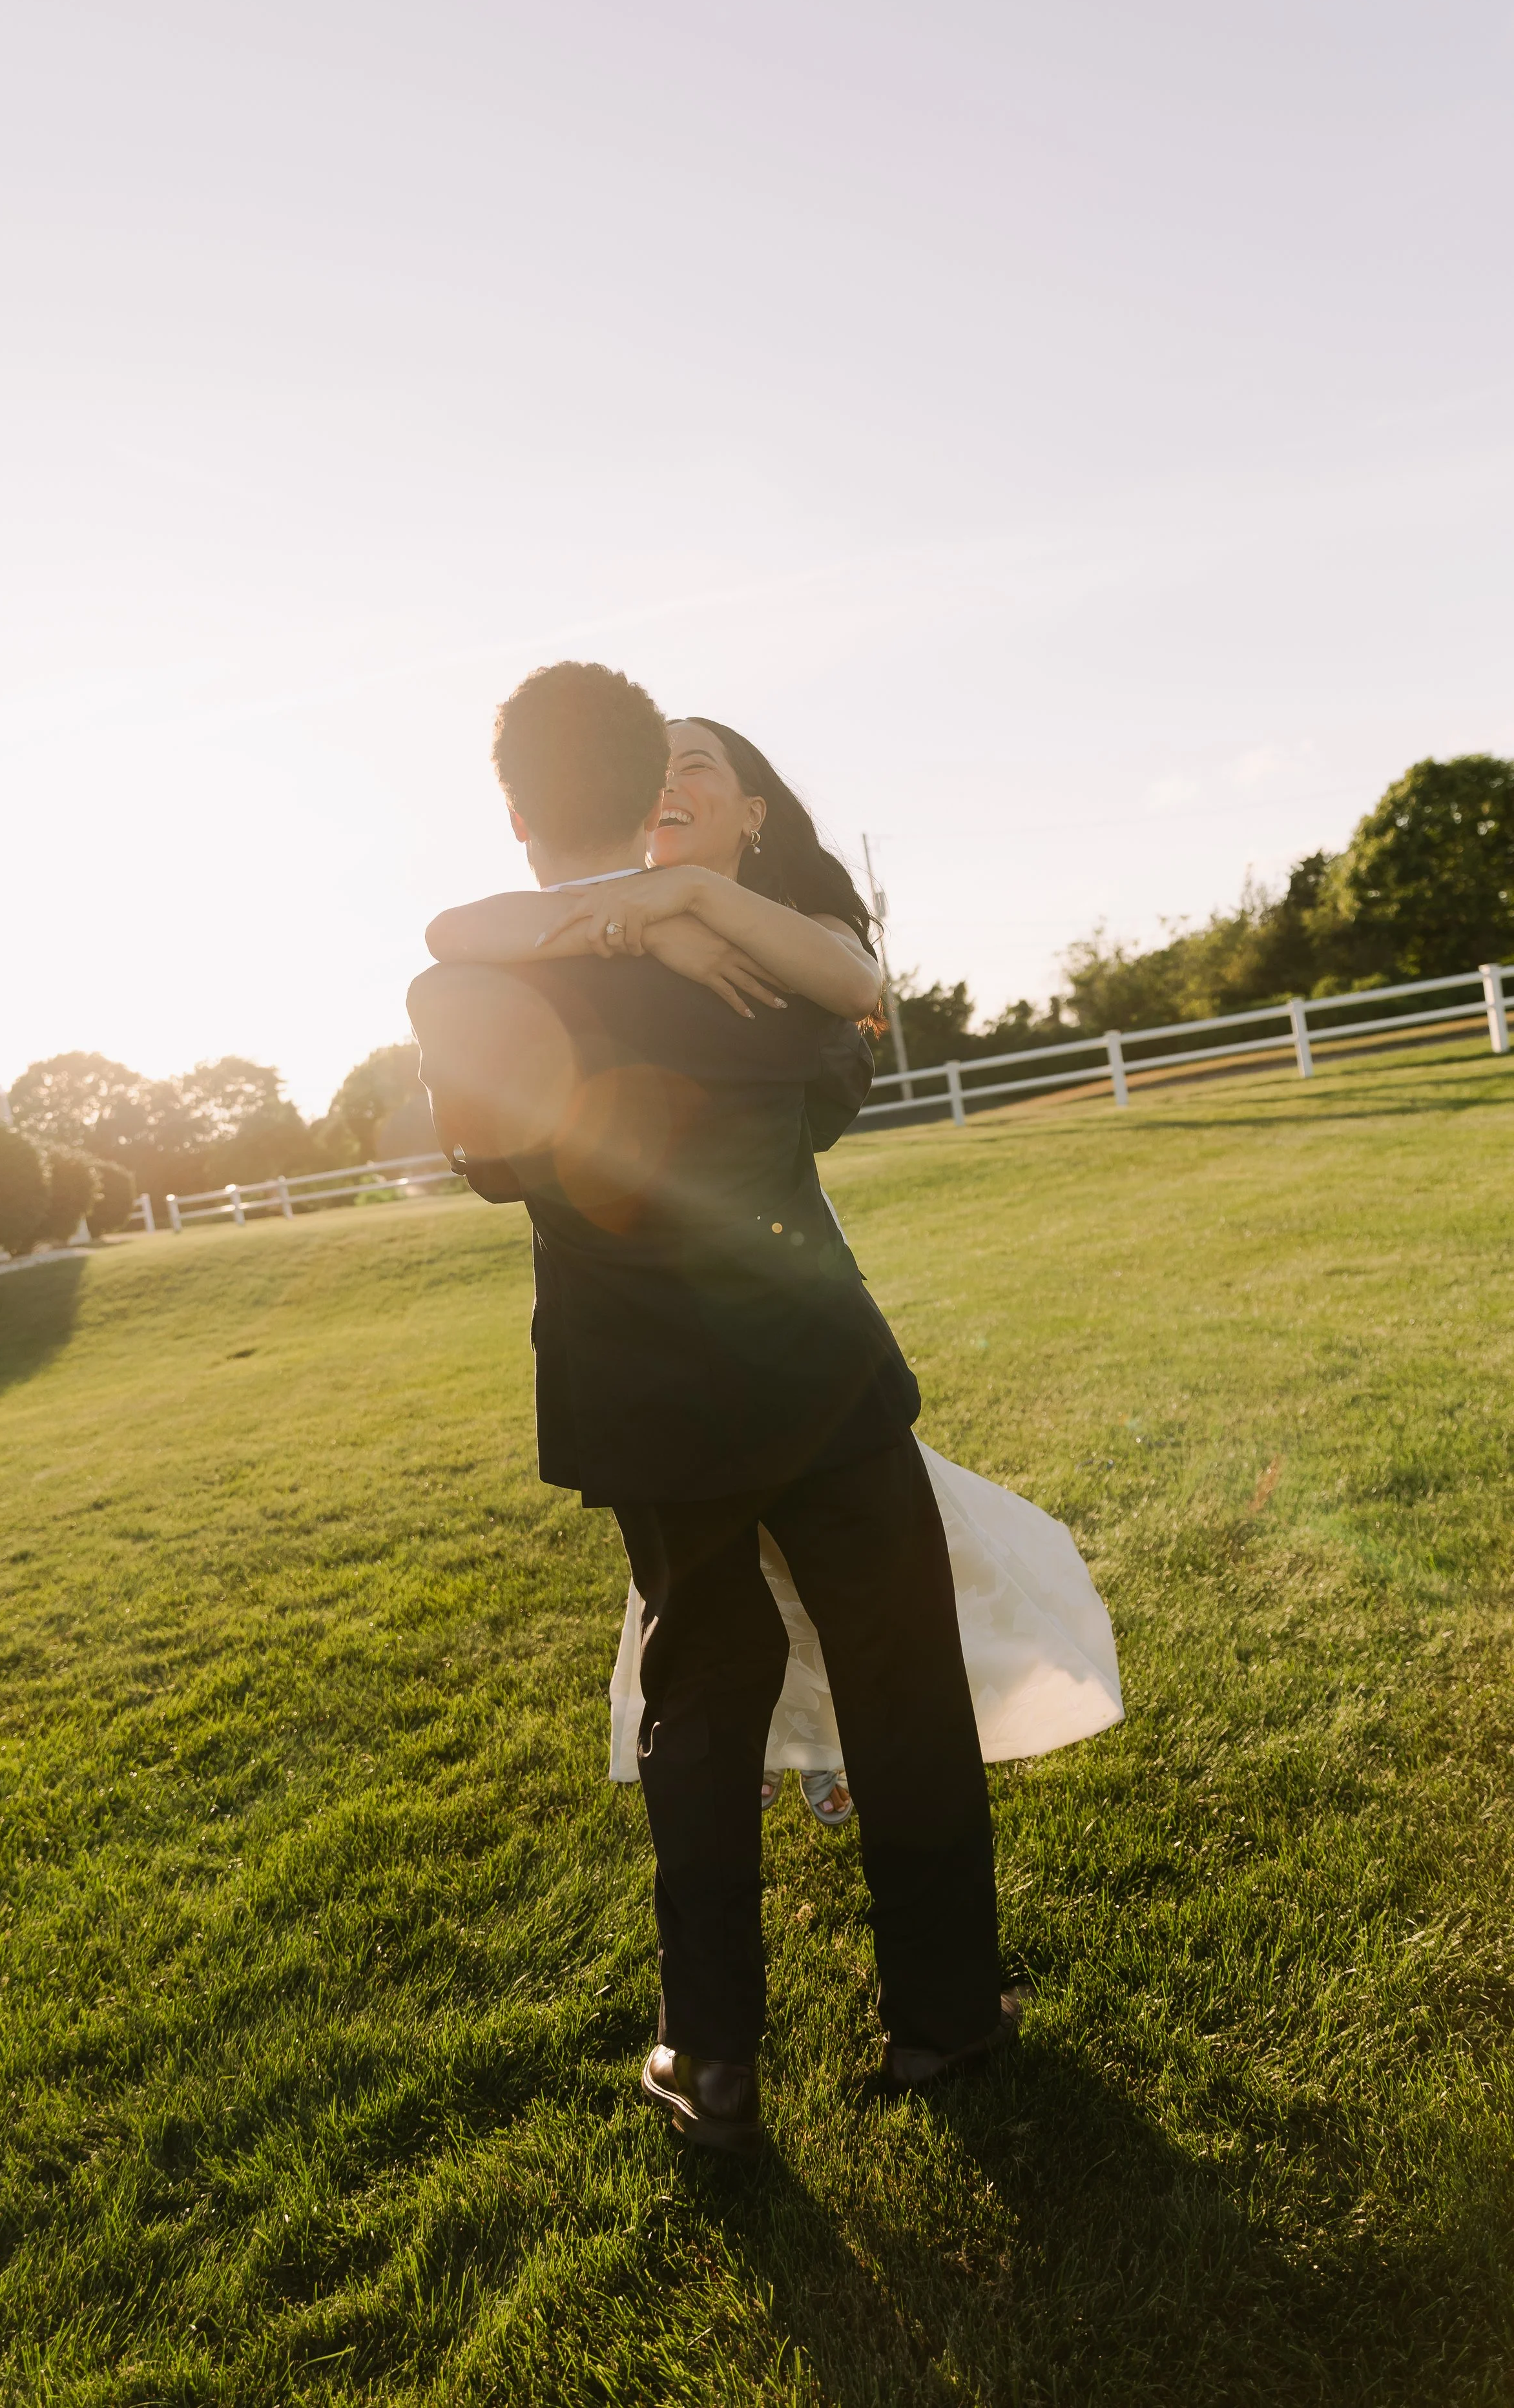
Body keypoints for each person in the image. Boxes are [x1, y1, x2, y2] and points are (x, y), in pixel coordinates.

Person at [409, 661, 1021, 2156]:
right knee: (903, 1691)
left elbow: (493, 1167)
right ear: (645, 799)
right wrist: (674, 918)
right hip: (818, 1367)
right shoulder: (760, 969)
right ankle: (946, 2021)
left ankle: (713, 2059)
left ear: (511, 814)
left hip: (645, 1403)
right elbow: (825, 1089)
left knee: (699, 1707)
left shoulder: (461, 988)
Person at [426, 714, 1125, 1833]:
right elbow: (456, 929)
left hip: (781, 1306)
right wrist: (647, 926)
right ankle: (779, 1736)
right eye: (651, 763)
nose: (665, 779)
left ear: (755, 811)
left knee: (864, 1589)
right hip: (661, 1351)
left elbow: (834, 1030)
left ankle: (825, 1738)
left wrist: (689, 911)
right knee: (725, 1605)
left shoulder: (802, 935)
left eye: (696, 762)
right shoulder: (600, 923)